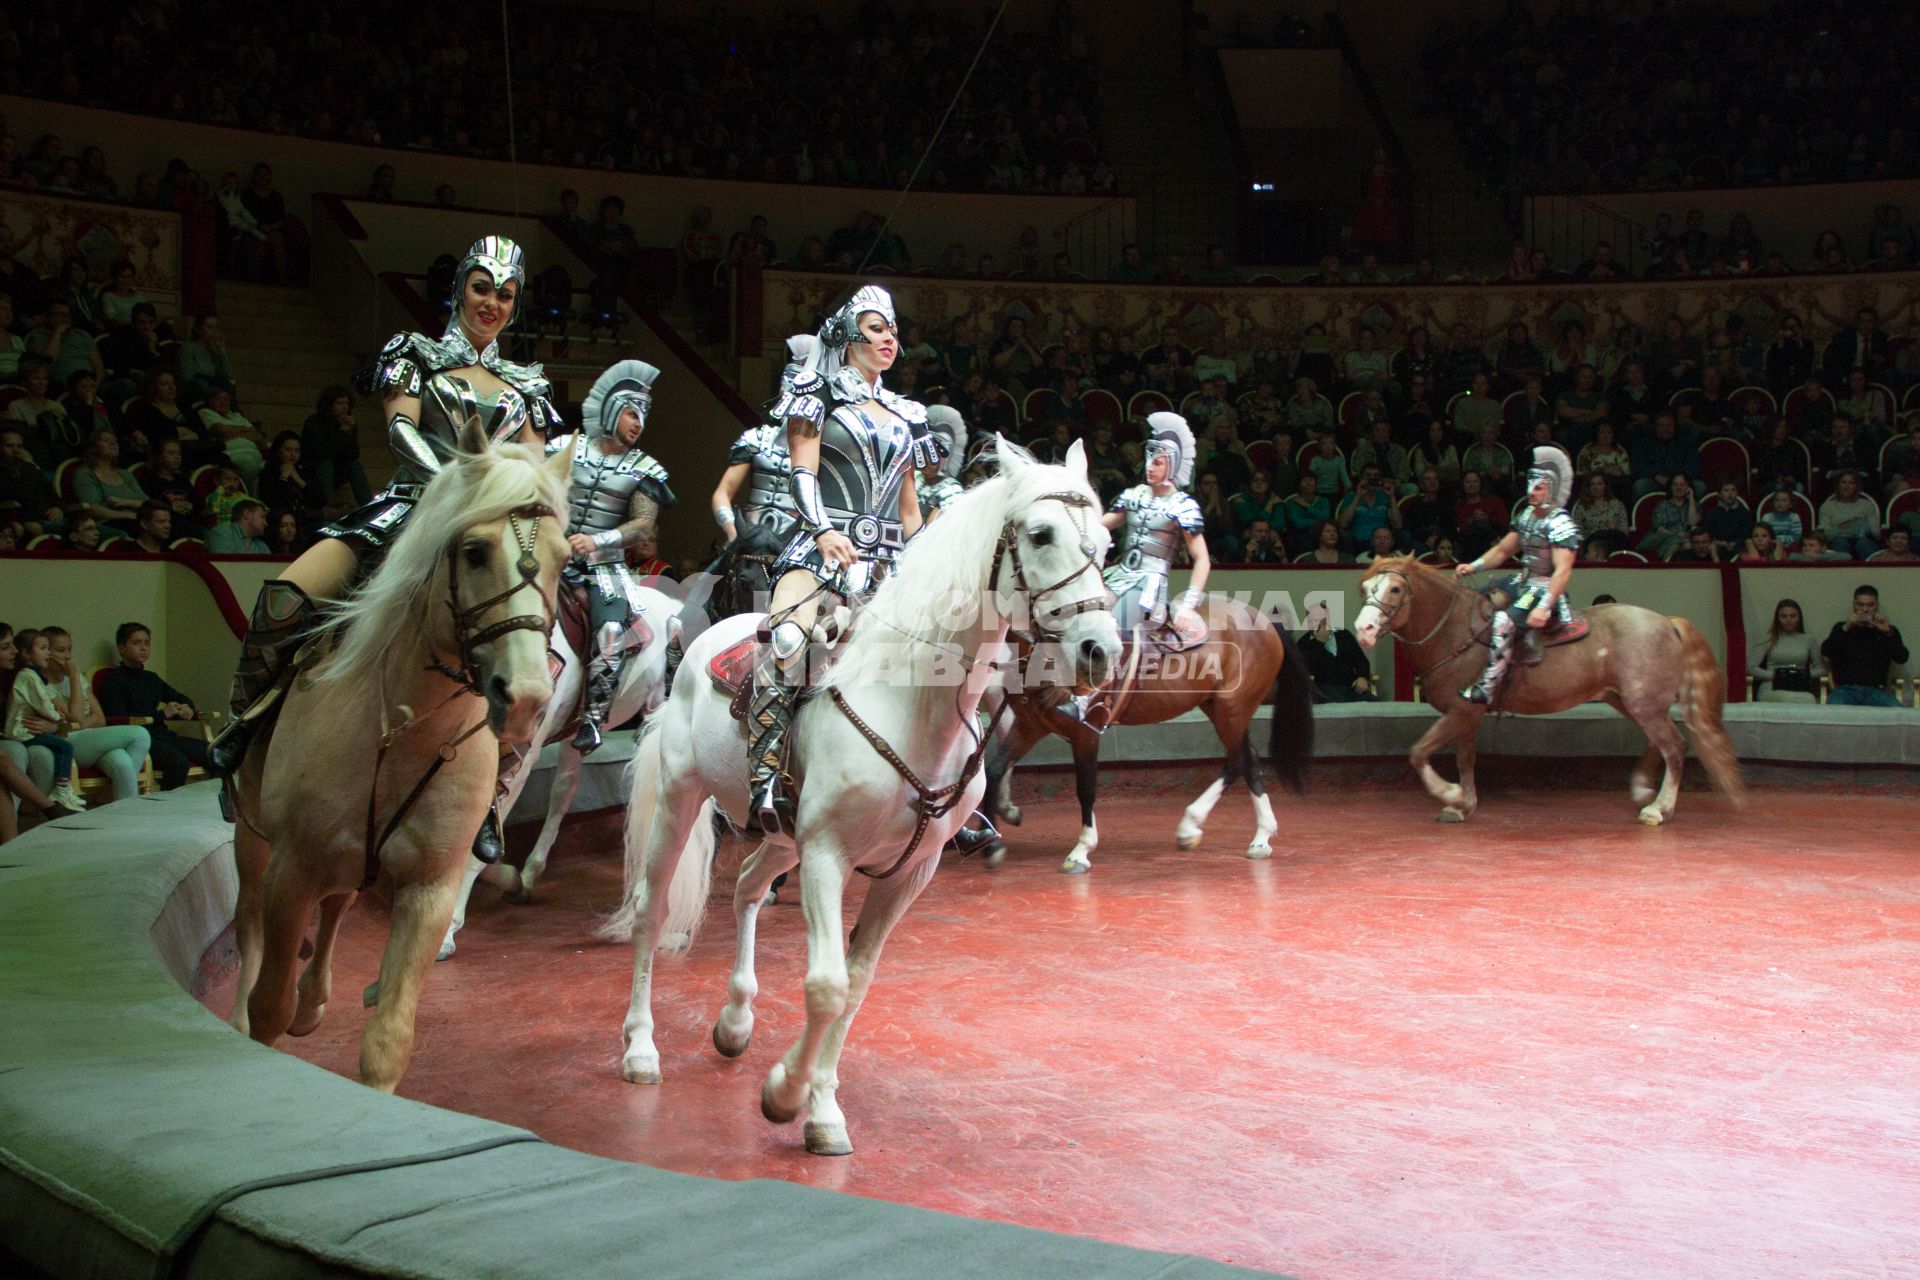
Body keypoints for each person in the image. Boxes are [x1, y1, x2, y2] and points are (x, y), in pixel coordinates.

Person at [208, 236, 558, 865]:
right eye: (482, 288)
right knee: (286, 597)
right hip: (408, 510)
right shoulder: (414, 353)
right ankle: (242, 730)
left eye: (505, 295)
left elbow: (532, 463)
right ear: (458, 289)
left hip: (488, 529)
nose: (492, 303)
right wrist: (460, 489)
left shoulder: (526, 383)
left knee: (540, 654)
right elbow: (399, 428)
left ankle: (490, 797)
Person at [749, 285, 933, 833]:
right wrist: (825, 531)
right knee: (787, 639)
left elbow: (910, 510)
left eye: (893, 330)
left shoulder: (907, 414)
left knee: (944, 654)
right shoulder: (814, 396)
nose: (889, 338)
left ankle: (943, 784)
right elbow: (801, 474)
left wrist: (924, 561)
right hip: (819, 551)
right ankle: (765, 772)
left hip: (887, 563)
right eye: (877, 328)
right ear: (848, 335)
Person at [552, 361, 672, 754]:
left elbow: (641, 526)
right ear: (610, 409)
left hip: (604, 568)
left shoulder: (645, 469)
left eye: (645, 416)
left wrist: (599, 540)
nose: (639, 423)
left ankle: (592, 714)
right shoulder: (562, 448)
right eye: (631, 412)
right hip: (550, 552)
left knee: (611, 632)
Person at [1060, 412, 1210, 726]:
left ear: (1172, 464)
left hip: (1149, 585)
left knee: (1114, 626)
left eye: (1157, 462)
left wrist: (1189, 604)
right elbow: (1102, 527)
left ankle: (1089, 698)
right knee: (1081, 615)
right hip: (1119, 575)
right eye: (1148, 460)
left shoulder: (1182, 505)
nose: (1149, 467)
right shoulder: (1133, 496)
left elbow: (1202, 559)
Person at [1457, 447, 1579, 704]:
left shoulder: (1560, 523)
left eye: (1537, 488)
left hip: (1543, 589)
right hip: (1521, 580)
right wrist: (1475, 565)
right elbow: (1503, 550)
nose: (1530, 493)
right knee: (1472, 600)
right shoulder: (1526, 515)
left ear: (1551, 489)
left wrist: (1545, 606)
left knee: (1503, 621)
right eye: (1530, 487)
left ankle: (1488, 687)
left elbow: (1562, 571)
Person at [32, 627, 151, 802]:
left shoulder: (77, 677)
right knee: (140, 734)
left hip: (92, 739)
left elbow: (100, 718)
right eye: (61, 650)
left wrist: (81, 724)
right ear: (47, 652)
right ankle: (126, 809)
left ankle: (123, 818)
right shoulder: (42, 683)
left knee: (123, 763)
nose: (67, 656)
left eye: (69, 650)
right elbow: (76, 718)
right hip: (67, 742)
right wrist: (73, 677)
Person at [97, 622, 209, 789]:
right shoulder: (114, 681)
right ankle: (165, 809)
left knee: (212, 752)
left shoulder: (151, 678)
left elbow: (179, 697)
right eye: (136, 643)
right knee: (178, 762)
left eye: (147, 643)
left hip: (163, 736)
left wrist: (187, 707)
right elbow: (119, 718)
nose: (143, 648)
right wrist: (161, 715)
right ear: (121, 648)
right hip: (139, 740)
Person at [3, 630, 86, 812]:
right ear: (28, 653)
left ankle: (40, 815)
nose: (14, 651)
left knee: (43, 755)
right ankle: (52, 803)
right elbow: (44, 705)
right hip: (17, 733)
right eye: (5, 647)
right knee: (59, 747)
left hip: (29, 732)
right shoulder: (28, 676)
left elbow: (62, 711)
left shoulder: (32, 676)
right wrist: (57, 718)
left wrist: (54, 724)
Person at [1821, 586, 1908, 707]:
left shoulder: (1886, 631)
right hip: (1845, 690)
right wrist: (1847, 627)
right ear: (1854, 605)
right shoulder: (1842, 628)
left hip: (1876, 691)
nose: (1865, 609)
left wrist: (1887, 632)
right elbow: (1826, 651)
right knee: (1834, 707)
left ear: (1876, 606)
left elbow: (1902, 658)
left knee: (1898, 710)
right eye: (1860, 605)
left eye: (1870, 605)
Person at [1748, 600, 1823, 703]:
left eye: (1792, 616)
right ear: (1777, 619)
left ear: (1799, 618)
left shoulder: (1809, 640)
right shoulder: (1768, 638)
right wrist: (1777, 675)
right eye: (1784, 616)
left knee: (1808, 699)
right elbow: (1751, 667)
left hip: (1798, 687)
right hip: (1771, 687)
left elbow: (1822, 670)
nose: (1788, 620)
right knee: (1801, 699)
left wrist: (1800, 674)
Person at [1299, 603, 1376, 703]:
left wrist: (1363, 677)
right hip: (1324, 692)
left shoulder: (1344, 635)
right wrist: (1319, 643)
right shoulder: (1303, 644)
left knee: (1374, 704)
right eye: (1312, 619)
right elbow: (1307, 671)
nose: (1317, 623)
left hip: (1351, 689)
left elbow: (1362, 661)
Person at [916, 405, 967, 521]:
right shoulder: (913, 477)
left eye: (933, 456)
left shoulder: (952, 491)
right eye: (924, 453)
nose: (926, 460)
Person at [207, 500, 272, 553]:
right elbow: (224, 567)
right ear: (247, 514)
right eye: (262, 517)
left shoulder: (262, 546)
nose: (266, 524)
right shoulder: (220, 534)